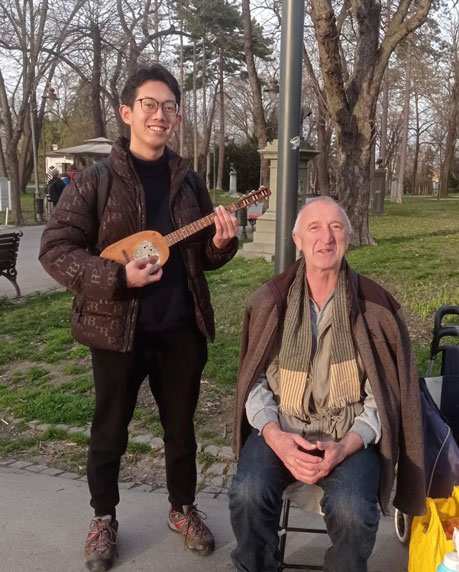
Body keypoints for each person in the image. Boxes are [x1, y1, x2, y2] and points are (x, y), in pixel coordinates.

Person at [39, 63, 238, 572]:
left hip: (180, 331)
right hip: (115, 331)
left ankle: (183, 509)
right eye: (150, 105)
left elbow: (204, 258)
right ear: (128, 113)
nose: (160, 115)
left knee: (181, 432)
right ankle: (103, 519)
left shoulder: (189, 182)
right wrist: (116, 278)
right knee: (109, 431)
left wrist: (221, 242)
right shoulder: (96, 181)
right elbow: (56, 249)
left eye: (170, 107)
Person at [228, 196, 425, 572]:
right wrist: (275, 437)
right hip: (283, 427)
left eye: (336, 227)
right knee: (248, 494)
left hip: (348, 435)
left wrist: (347, 445)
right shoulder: (271, 302)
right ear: (297, 240)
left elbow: (386, 398)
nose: (326, 238)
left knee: (353, 511)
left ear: (348, 238)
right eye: (314, 228)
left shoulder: (376, 308)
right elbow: (252, 383)